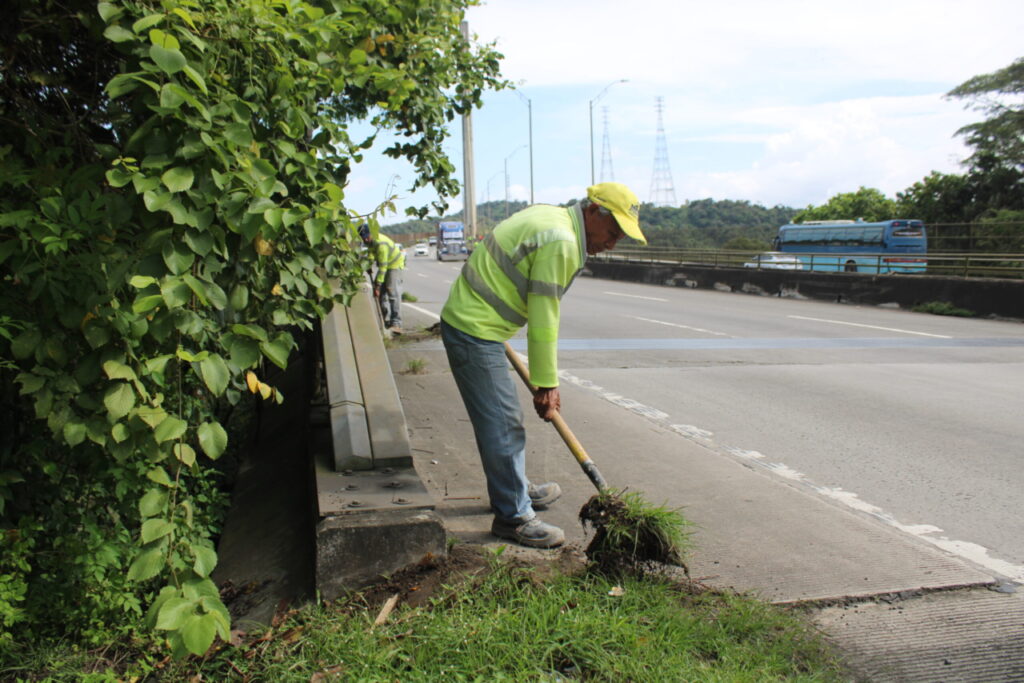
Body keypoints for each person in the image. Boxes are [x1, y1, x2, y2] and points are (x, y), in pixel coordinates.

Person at [439, 182, 646, 548]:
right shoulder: (563, 242)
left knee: (502, 422)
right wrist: (547, 383)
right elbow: (544, 315)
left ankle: (514, 487)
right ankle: (513, 516)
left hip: (477, 319)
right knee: (503, 425)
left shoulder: (554, 217)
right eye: (612, 232)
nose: (612, 243)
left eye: (621, 238)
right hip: (475, 328)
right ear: (593, 212)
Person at [359, 224, 406, 333]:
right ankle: (384, 321)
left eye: (367, 236)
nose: (365, 239)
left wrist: (378, 286)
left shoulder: (381, 244)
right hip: (385, 266)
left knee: (392, 293)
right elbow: (371, 254)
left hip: (394, 266)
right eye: (363, 237)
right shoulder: (370, 242)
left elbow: (383, 267)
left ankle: (396, 323)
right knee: (380, 296)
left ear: (371, 233)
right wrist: (368, 264)